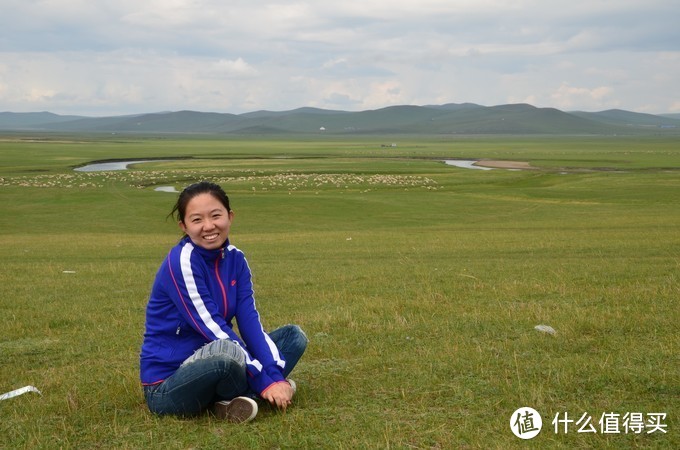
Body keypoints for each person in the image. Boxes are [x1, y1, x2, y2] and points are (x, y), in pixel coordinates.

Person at [139, 181, 307, 422]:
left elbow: (249, 322)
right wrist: (265, 380)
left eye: (216, 215)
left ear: (230, 216)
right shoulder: (182, 262)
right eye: (197, 220)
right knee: (227, 354)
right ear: (184, 226)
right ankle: (253, 394)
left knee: (293, 337)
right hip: (169, 384)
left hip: (220, 356)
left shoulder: (236, 259)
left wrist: (275, 377)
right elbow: (213, 328)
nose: (209, 226)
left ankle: (233, 402)